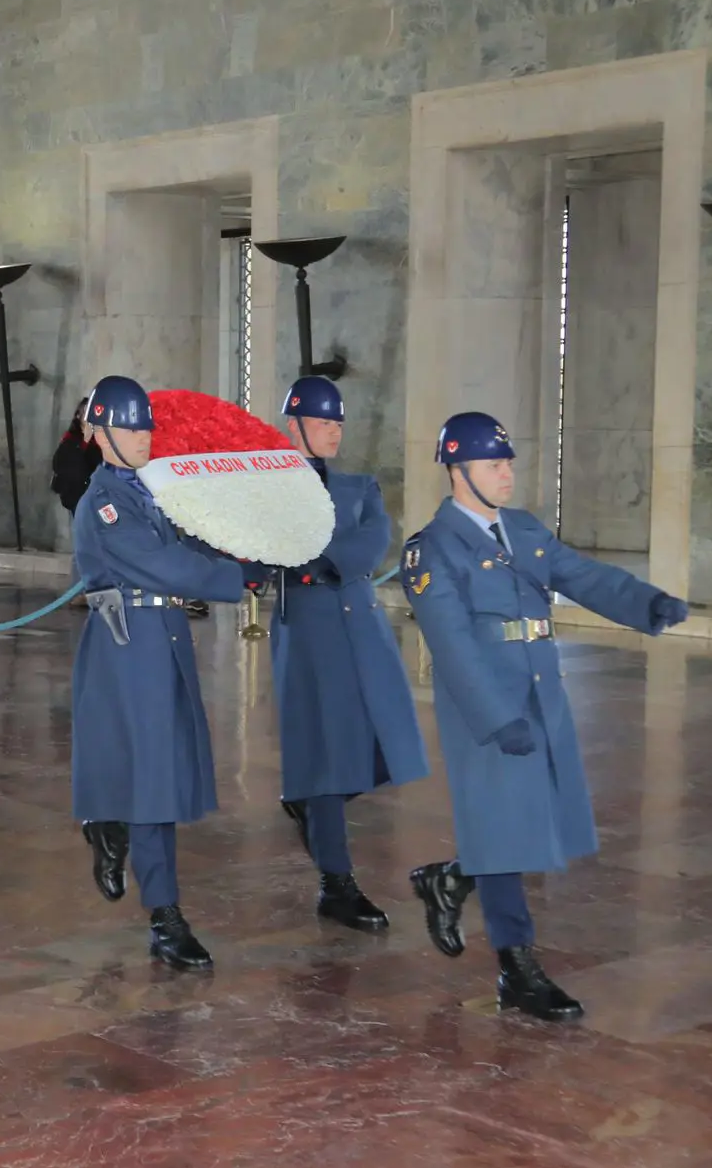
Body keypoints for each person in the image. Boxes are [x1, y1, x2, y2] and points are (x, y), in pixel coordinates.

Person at [404, 412, 689, 1022]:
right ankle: (518, 969)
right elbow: (450, 643)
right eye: (492, 465)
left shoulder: (524, 530)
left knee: (530, 821)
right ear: (457, 471)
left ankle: (451, 878)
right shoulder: (432, 549)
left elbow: (582, 576)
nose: (506, 474)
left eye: (508, 462)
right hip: (488, 703)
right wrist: (494, 717)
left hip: (539, 691)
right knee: (507, 830)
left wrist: (647, 603)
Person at [69, 376, 254, 971]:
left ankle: (106, 821)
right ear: (98, 435)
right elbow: (162, 564)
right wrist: (238, 578)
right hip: (130, 646)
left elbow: (188, 548)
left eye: (146, 425)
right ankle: (164, 915)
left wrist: (241, 553)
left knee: (160, 769)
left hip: (162, 639)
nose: (143, 436)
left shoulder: (147, 491)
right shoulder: (103, 502)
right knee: (153, 778)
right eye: (128, 426)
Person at [262, 376, 429, 933]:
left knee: (387, 736)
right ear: (296, 426)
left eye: (338, 423)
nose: (333, 431)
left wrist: (315, 559)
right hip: (307, 630)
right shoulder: (268, 485)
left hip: (360, 626)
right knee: (325, 756)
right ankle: (337, 882)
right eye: (323, 422)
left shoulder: (360, 487)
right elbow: (252, 551)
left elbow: (373, 539)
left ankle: (308, 801)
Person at [50, 400, 101, 514]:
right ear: (78, 416)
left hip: (97, 497)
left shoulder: (100, 440)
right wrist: (85, 441)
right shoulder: (70, 440)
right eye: (87, 414)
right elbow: (70, 468)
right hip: (79, 498)